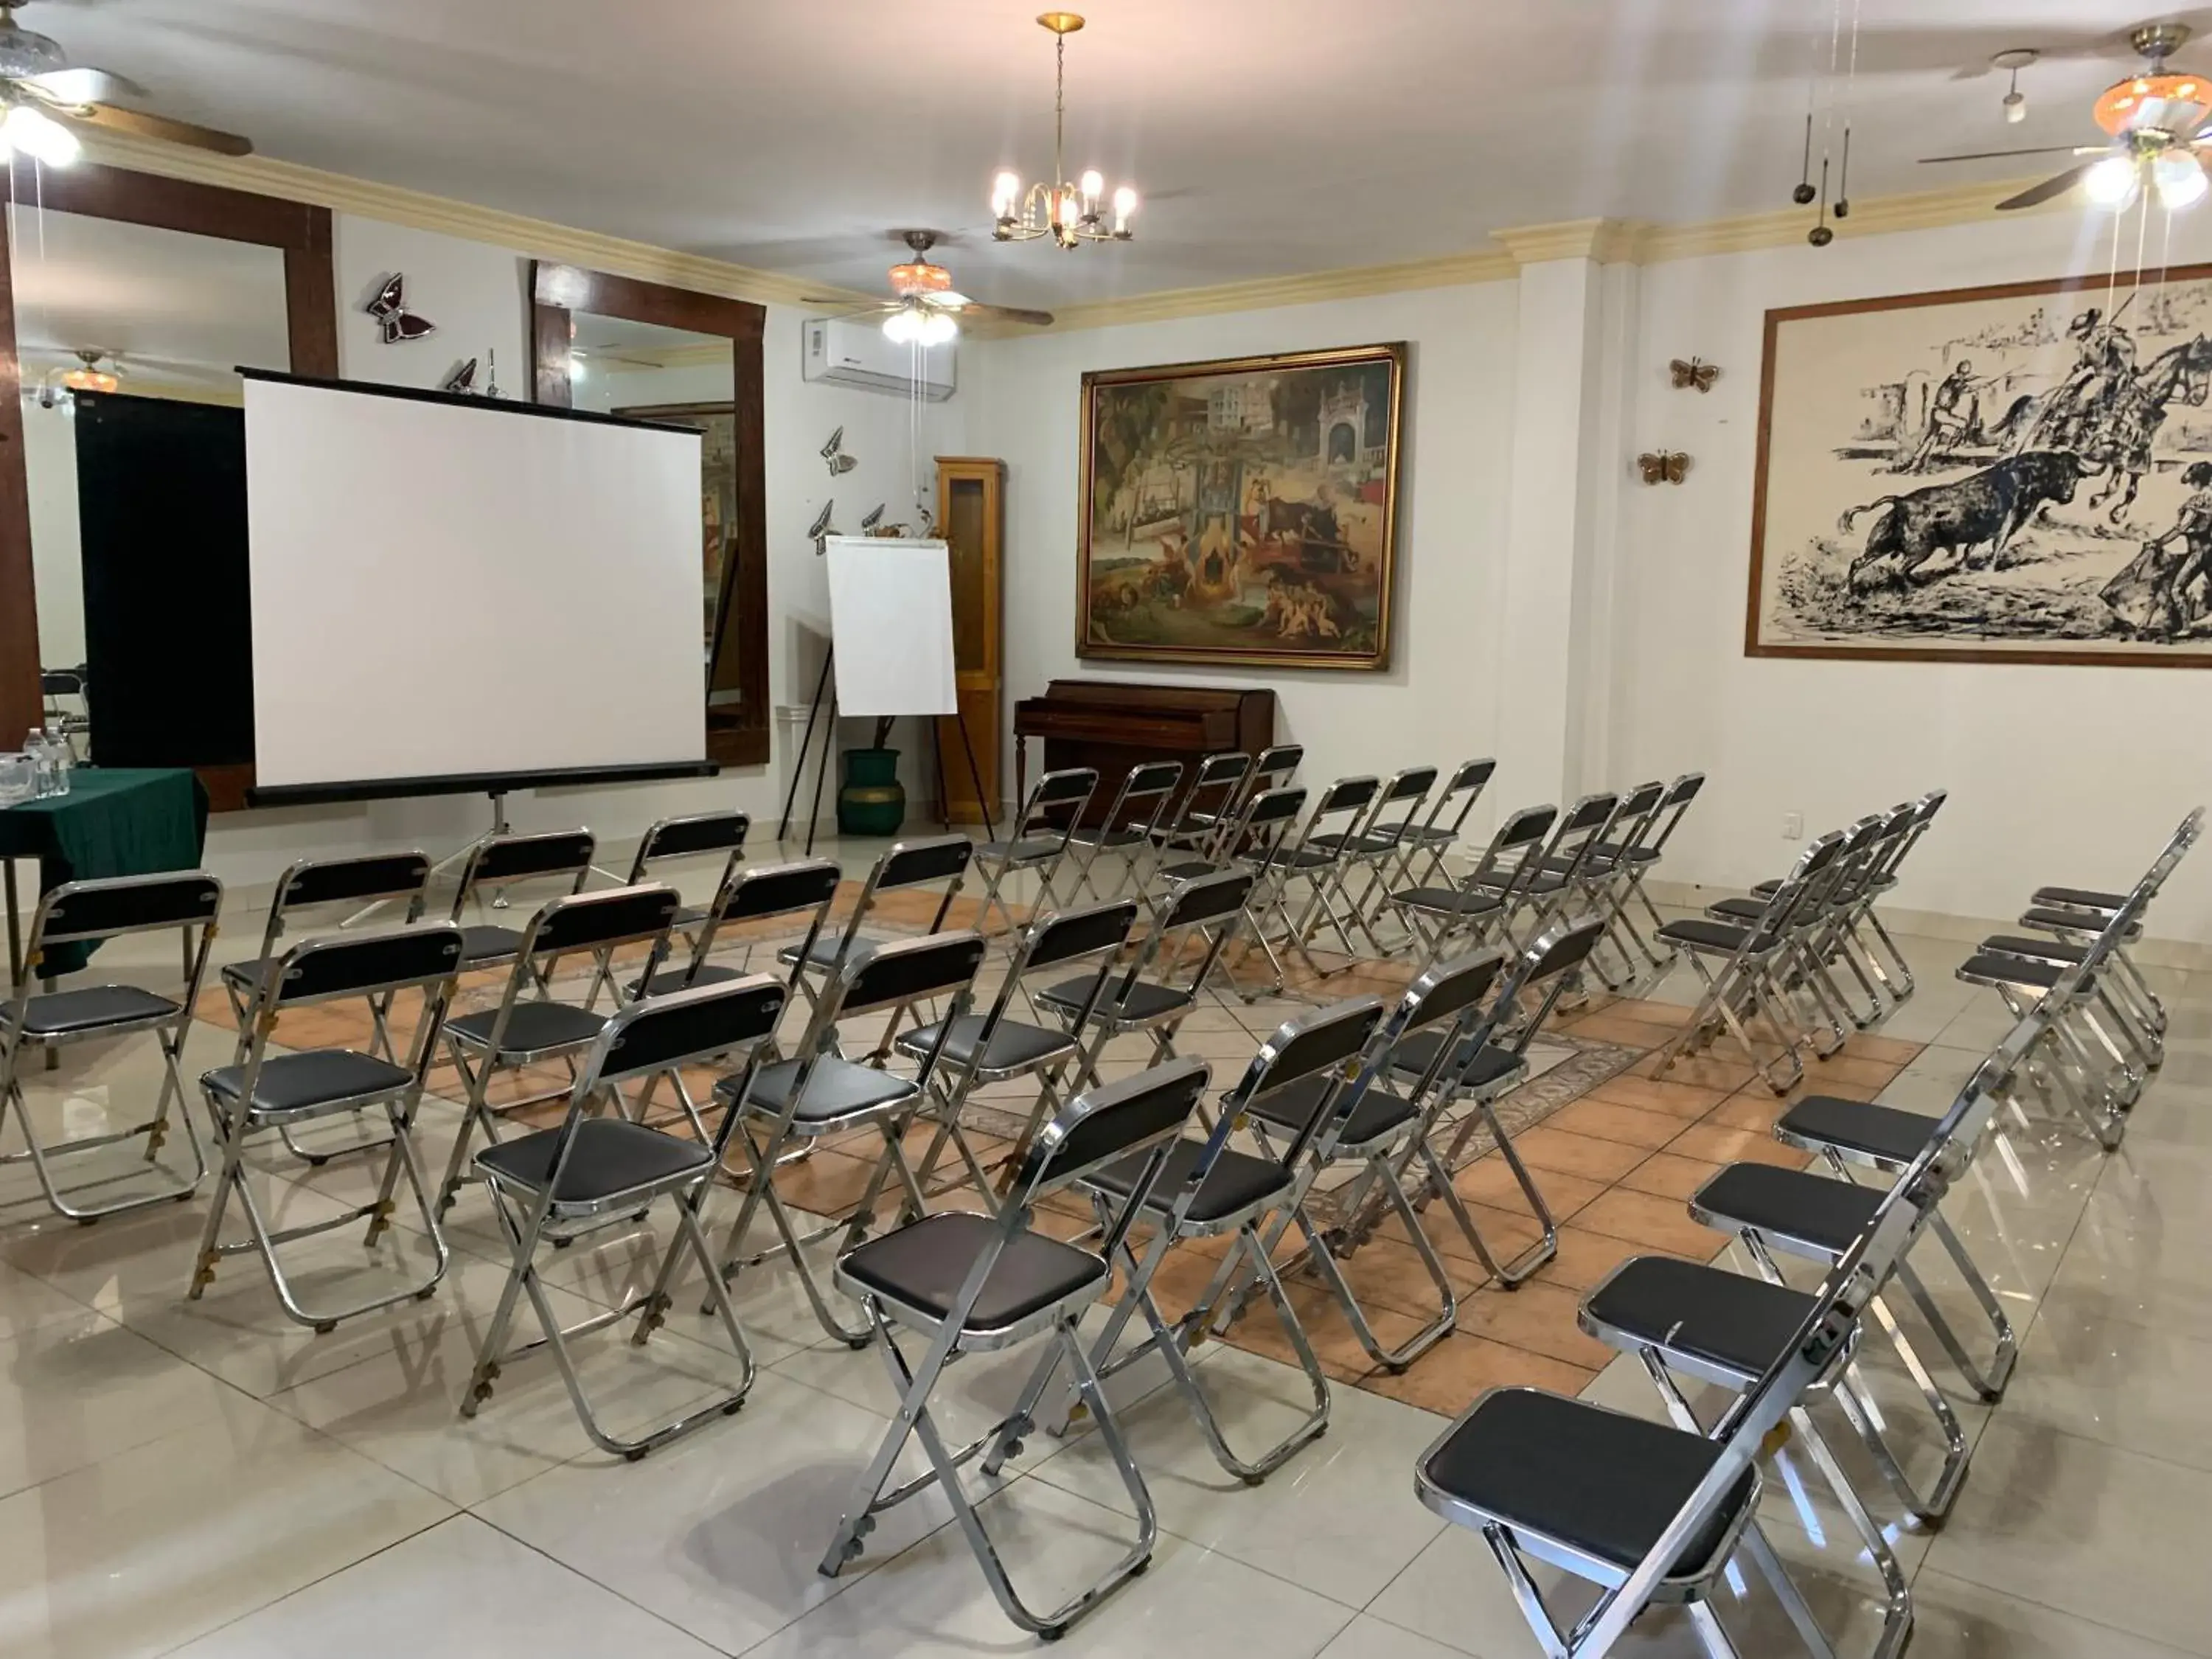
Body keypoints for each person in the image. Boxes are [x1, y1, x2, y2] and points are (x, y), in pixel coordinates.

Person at [2101, 458, 2212, 637]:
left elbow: (2179, 529)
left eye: (2193, 482)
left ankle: (2186, 628)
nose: (2192, 485)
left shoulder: (2197, 503)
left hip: (2198, 553)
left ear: (2198, 481)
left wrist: (2159, 542)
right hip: (2208, 550)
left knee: (2177, 588)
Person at [2034, 307, 2138, 452]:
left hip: (2113, 375)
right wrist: (2080, 365)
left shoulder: (2106, 335)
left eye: (2082, 333)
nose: (2080, 337)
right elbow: (2090, 360)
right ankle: (2062, 431)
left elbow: (2128, 348)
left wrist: (2128, 367)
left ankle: (2073, 437)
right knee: (2072, 395)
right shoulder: (2085, 342)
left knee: (2085, 396)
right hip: (2099, 375)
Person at [1902, 360, 1978, 472]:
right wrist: (1979, 385)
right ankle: (1951, 445)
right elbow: (1964, 385)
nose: (1966, 375)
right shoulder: (1955, 381)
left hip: (1938, 412)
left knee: (1931, 439)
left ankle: (1916, 462)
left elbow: (1966, 383)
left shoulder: (1955, 380)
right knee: (1963, 424)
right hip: (1941, 413)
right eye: (1966, 373)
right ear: (1962, 372)